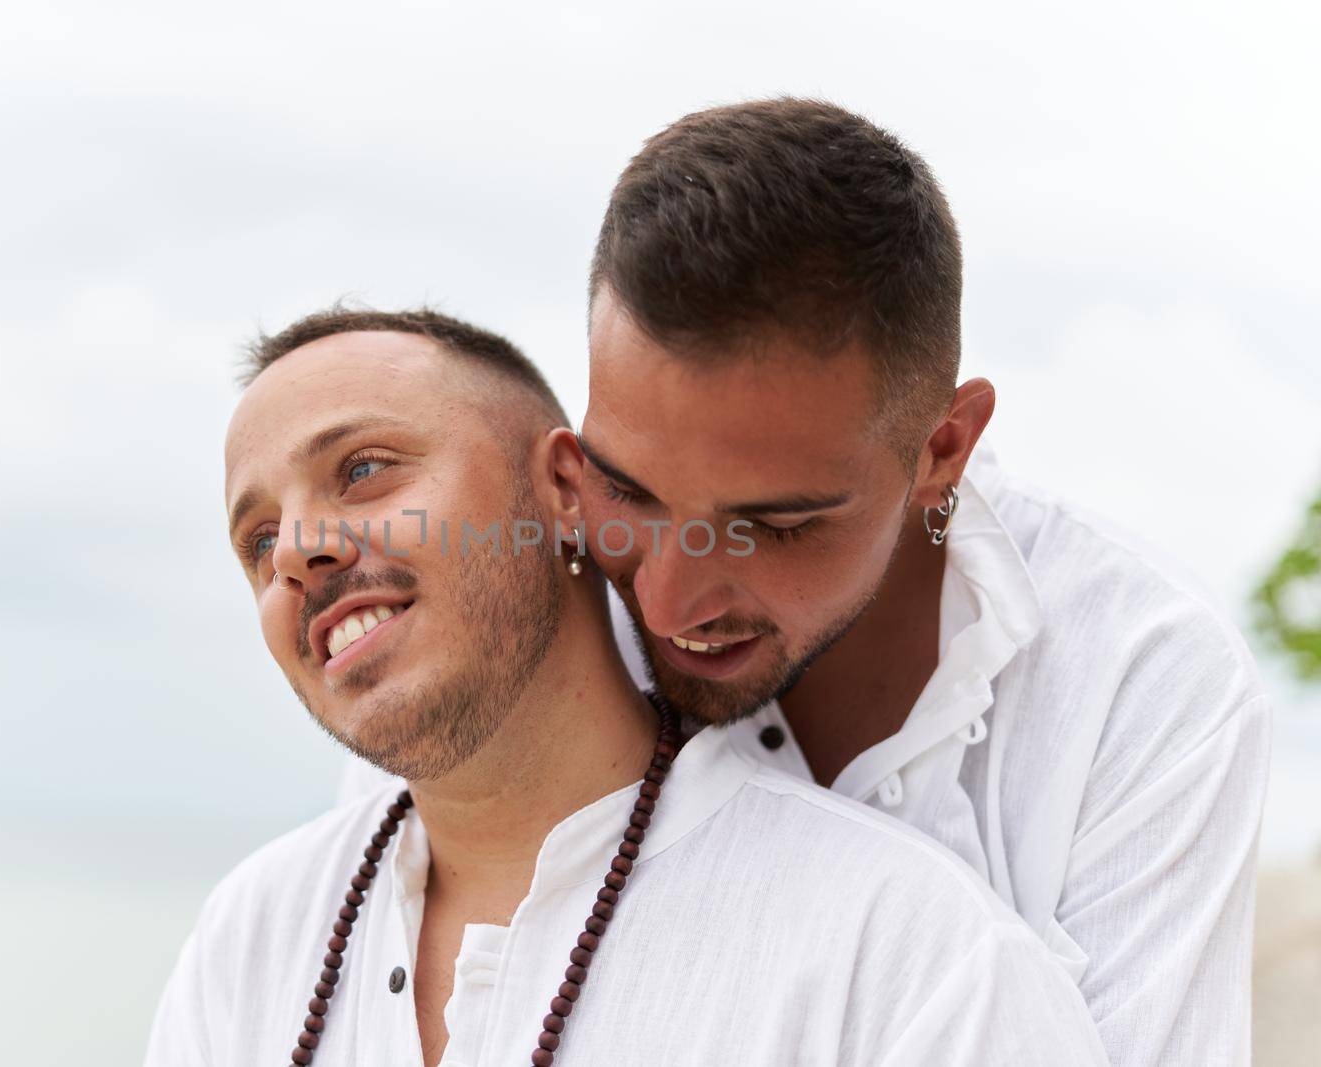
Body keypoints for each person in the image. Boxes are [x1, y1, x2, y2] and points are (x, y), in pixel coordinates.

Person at [341, 98, 1272, 1065]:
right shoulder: (516, 633)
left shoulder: (1147, 682)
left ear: (941, 449)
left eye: (773, 526)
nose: (664, 602)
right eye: (628, 490)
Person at [144, 309, 1106, 1066]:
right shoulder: (256, 933)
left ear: (565, 490)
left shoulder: (903, 952)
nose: (297, 553)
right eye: (258, 540)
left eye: (363, 469)